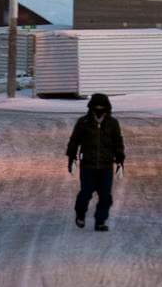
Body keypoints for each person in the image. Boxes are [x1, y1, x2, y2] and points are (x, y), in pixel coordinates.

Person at [66, 93, 125, 232]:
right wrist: (71, 158)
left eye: (102, 106)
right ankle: (80, 213)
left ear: (107, 107)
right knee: (85, 193)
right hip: (88, 165)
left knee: (105, 196)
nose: (99, 109)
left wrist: (120, 161)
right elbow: (74, 141)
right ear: (91, 107)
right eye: (96, 106)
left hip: (106, 166)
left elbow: (118, 142)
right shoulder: (83, 122)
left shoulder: (112, 123)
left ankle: (100, 221)